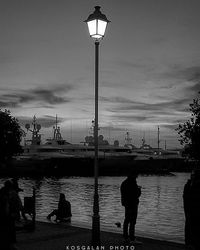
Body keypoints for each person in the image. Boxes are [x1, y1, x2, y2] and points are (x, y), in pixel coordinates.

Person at [120, 171, 142, 244]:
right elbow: (136, 194)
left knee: (127, 220)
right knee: (132, 221)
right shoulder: (132, 183)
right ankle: (132, 238)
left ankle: (125, 237)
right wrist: (139, 190)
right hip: (132, 204)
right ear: (134, 175)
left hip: (127, 204)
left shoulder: (124, 183)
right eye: (136, 175)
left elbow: (123, 194)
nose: (137, 176)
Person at [183, 170, 200, 250]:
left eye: (193, 175)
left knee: (194, 227)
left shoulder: (196, 185)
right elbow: (184, 197)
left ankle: (193, 244)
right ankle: (189, 244)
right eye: (191, 174)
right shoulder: (188, 185)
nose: (192, 176)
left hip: (195, 210)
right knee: (188, 227)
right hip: (189, 209)